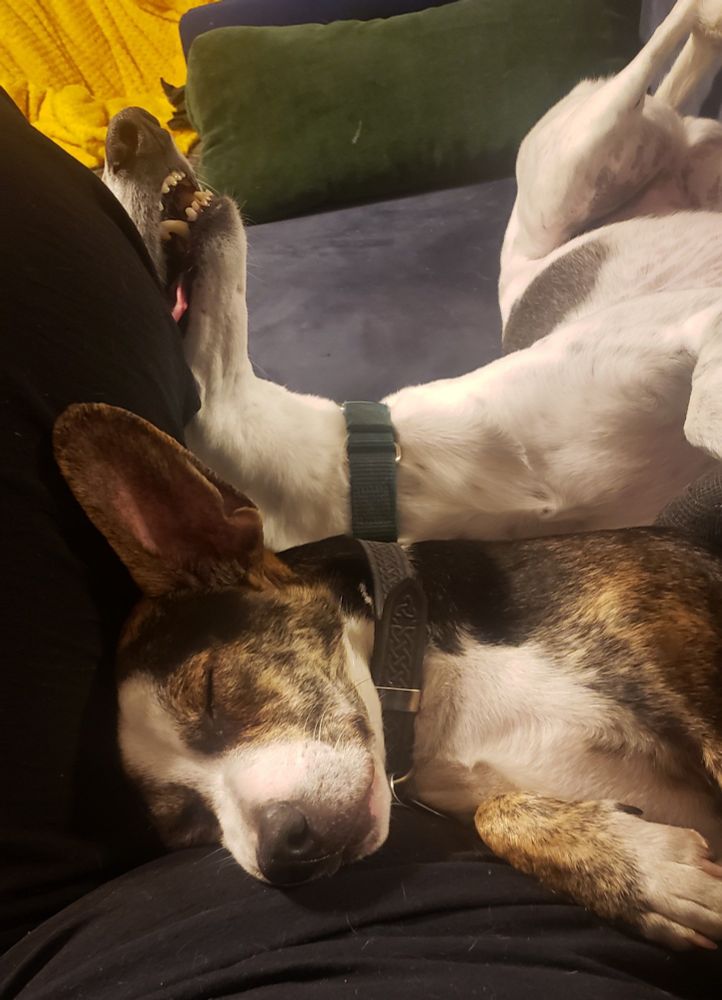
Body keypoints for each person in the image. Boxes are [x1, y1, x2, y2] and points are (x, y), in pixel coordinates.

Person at [0, 89, 718, 1000]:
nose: (258, 837)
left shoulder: (580, 602)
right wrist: (524, 823)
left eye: (220, 700)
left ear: (218, 538)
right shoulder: (439, 789)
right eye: (188, 820)